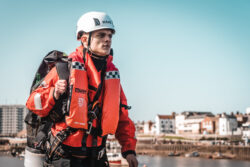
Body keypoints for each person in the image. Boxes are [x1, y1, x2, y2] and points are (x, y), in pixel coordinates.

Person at [26, 11, 138, 167]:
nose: (107, 39)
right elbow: (32, 103)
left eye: (110, 35)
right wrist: (54, 93)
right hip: (64, 154)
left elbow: (122, 116)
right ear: (85, 39)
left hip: (97, 155)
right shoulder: (65, 69)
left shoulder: (111, 75)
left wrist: (129, 150)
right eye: (101, 35)